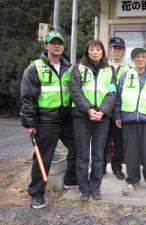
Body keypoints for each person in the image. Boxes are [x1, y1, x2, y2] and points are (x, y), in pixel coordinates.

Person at [20, 30, 77, 208]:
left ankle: (69, 180)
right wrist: (29, 122)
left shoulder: (69, 68)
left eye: (60, 43)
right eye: (53, 43)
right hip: (46, 120)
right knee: (43, 157)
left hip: (67, 118)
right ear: (46, 46)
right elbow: (28, 97)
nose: (57, 45)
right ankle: (36, 193)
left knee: (77, 147)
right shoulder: (35, 67)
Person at [114, 47, 146, 198]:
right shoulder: (125, 75)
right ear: (133, 59)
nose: (140, 59)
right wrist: (117, 116)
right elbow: (118, 98)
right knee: (131, 154)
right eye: (137, 57)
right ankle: (133, 181)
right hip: (128, 120)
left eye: (143, 56)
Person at [71, 40, 116, 201]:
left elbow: (112, 93)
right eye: (92, 49)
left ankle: (95, 187)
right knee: (82, 155)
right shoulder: (78, 68)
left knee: (98, 155)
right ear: (87, 51)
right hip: (82, 117)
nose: (95, 52)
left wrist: (102, 111)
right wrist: (89, 109)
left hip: (102, 118)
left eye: (98, 49)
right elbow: (75, 91)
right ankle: (83, 189)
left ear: (103, 52)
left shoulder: (109, 70)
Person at [103, 37, 130, 180]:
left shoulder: (128, 70)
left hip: (120, 112)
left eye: (120, 48)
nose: (117, 51)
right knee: (102, 142)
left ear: (123, 51)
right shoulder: (103, 67)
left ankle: (117, 167)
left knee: (119, 143)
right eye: (114, 48)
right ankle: (101, 167)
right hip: (104, 111)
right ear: (110, 50)